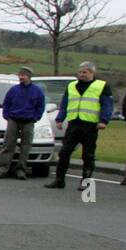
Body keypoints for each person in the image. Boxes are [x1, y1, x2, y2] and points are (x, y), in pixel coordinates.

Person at [46, 61, 113, 190]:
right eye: (80, 72)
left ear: (92, 73)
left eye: (85, 72)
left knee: (88, 155)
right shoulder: (71, 86)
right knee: (64, 153)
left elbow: (107, 105)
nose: (81, 74)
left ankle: (85, 182)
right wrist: (60, 119)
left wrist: (104, 120)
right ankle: (59, 180)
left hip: (90, 125)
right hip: (73, 124)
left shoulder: (101, 85)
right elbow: (65, 103)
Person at [0, 68, 44, 180]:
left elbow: (40, 106)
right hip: (13, 119)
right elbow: (6, 103)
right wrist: (7, 116)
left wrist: (35, 118)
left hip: (29, 121)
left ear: (29, 77)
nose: (21, 77)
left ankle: (21, 170)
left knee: (26, 147)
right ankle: (1, 169)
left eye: (23, 75)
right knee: (8, 145)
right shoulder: (13, 90)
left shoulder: (37, 91)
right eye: (20, 75)